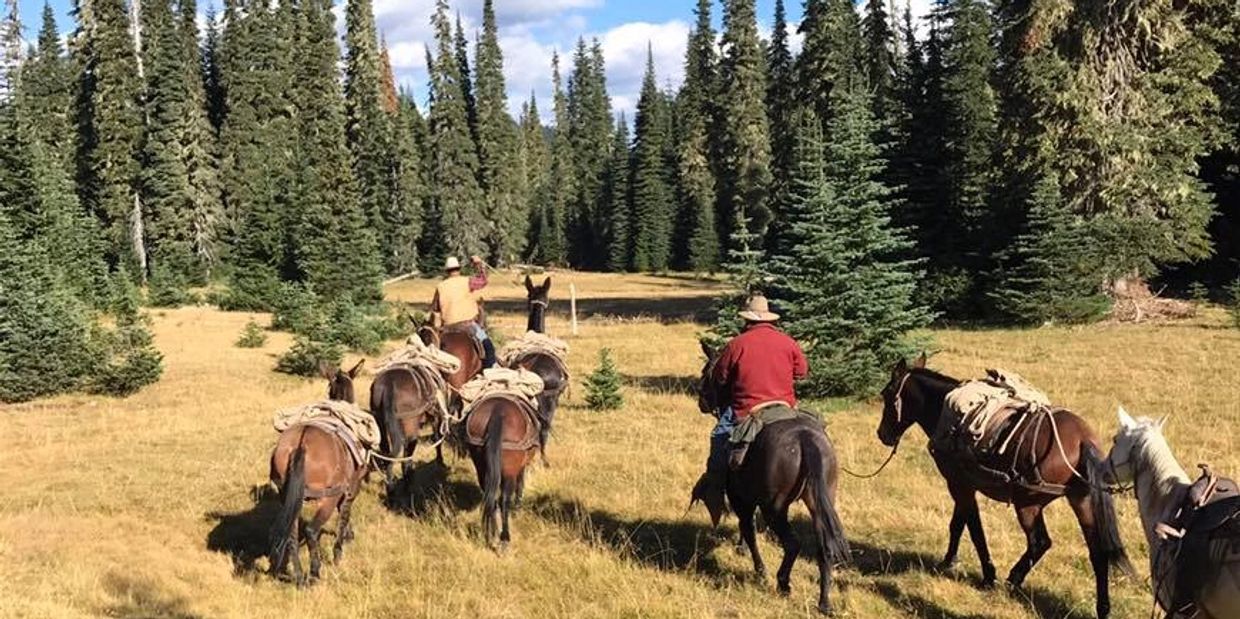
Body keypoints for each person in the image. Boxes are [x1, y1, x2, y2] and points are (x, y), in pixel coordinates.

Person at [694, 295, 808, 526]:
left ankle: (715, 487)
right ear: (769, 319)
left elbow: (720, 377)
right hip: (786, 408)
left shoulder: (737, 344)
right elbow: (802, 372)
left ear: (747, 320)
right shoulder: (787, 341)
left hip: (748, 409)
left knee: (718, 436)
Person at [429, 255, 496, 368]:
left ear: (446, 271)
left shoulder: (440, 286)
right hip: (469, 326)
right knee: (488, 346)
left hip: (447, 328)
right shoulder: (467, 281)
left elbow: (435, 310)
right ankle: (491, 369)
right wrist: (479, 264)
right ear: (459, 269)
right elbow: (483, 281)